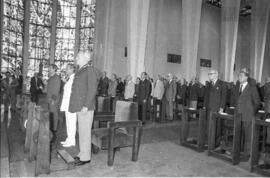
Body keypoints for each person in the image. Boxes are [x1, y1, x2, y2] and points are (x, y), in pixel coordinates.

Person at [69, 51, 98, 166]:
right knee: (81, 131)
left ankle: (86, 157)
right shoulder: (81, 70)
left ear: (85, 59)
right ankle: (82, 153)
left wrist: (86, 105)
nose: (76, 58)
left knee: (85, 132)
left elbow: (92, 89)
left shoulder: (89, 70)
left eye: (78, 56)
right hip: (80, 106)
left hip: (86, 107)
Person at [235, 70, 260, 157]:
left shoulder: (252, 88)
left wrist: (252, 112)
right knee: (239, 134)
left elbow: (257, 102)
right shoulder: (238, 87)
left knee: (248, 136)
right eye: (238, 76)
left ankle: (247, 154)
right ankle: (238, 151)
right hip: (238, 115)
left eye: (241, 76)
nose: (239, 77)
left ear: (246, 77)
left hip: (248, 116)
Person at [204, 69, 227, 147]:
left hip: (217, 109)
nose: (209, 75)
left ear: (216, 74)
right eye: (209, 74)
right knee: (208, 125)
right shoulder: (209, 84)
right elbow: (206, 96)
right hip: (209, 108)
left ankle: (216, 143)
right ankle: (209, 141)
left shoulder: (222, 84)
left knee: (217, 126)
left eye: (211, 74)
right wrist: (204, 106)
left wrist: (221, 108)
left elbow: (224, 97)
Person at [60, 63, 76, 147]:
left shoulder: (74, 78)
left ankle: (72, 141)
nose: (66, 70)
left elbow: (73, 92)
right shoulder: (70, 78)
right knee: (68, 122)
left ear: (71, 69)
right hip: (67, 104)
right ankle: (69, 139)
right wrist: (65, 82)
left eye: (67, 69)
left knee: (71, 123)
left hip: (71, 104)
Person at [47, 64, 61, 141]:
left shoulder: (56, 78)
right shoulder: (51, 77)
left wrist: (53, 100)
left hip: (53, 100)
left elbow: (56, 90)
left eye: (50, 68)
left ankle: (54, 129)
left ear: (54, 69)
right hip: (49, 99)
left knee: (54, 114)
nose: (48, 69)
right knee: (51, 114)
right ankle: (52, 127)